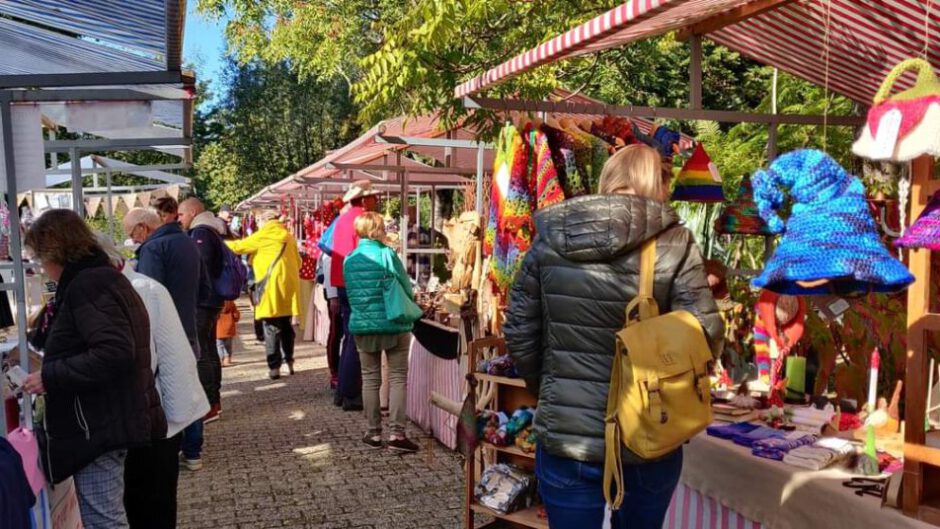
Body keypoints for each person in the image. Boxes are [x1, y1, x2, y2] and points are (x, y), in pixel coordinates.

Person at [503, 144, 724, 529]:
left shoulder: (552, 237)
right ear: (654, 182)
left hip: (567, 436)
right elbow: (707, 332)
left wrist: (551, 388)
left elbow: (520, 329)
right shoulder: (674, 243)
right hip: (650, 430)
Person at [22, 210, 166, 529]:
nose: (41, 268)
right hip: (104, 419)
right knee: (106, 516)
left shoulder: (89, 284)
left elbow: (114, 351)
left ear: (54, 252)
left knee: (104, 520)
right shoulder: (97, 278)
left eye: (40, 259)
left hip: (99, 424)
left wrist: (50, 376)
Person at [96, 234, 209, 529]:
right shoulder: (141, 288)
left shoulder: (143, 290)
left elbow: (169, 359)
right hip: (148, 418)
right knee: (147, 503)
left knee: (150, 503)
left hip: (151, 418)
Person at [123, 208, 207, 471]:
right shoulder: (188, 241)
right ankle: (194, 450)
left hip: (166, 331)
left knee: (172, 389)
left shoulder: (153, 249)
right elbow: (205, 287)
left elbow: (145, 299)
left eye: (132, 235)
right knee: (189, 385)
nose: (133, 241)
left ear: (142, 228)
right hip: (189, 324)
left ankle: (176, 448)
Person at [343, 212, 419, 452]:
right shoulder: (387, 254)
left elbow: (351, 293)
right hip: (393, 323)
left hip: (363, 326)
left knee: (370, 378)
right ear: (378, 229)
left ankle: (373, 433)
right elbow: (405, 286)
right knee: (397, 378)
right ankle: (397, 435)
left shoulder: (350, 259)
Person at [227, 209, 301, 380]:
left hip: (269, 287)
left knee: (271, 327)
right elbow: (299, 262)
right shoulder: (288, 236)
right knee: (286, 325)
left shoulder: (264, 234)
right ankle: (289, 361)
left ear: (264, 221)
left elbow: (238, 247)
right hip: (288, 287)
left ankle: (274, 367)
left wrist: (218, 240)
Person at [330, 180, 380, 411]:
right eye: (374, 196)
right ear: (365, 199)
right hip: (356, 283)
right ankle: (350, 393)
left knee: (348, 338)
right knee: (354, 339)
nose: (377, 200)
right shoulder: (362, 220)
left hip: (342, 282)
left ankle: (342, 391)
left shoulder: (342, 218)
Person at [178, 198, 227, 423]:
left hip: (203, 300)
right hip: (211, 299)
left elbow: (202, 265)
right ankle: (213, 401)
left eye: (181, 214)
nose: (180, 219)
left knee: (204, 352)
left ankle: (210, 403)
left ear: (194, 212)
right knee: (208, 350)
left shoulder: (201, 232)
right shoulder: (210, 230)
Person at [318, 252, 342, 399]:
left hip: (343, 290)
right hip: (336, 292)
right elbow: (328, 264)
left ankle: (340, 371)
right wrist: (333, 296)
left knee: (339, 333)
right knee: (336, 333)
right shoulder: (334, 235)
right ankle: (335, 372)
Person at [216, 300, 240, 367]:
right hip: (229, 328)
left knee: (219, 345)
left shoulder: (216, 302)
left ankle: (220, 359)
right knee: (228, 345)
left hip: (218, 328)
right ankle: (227, 359)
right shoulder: (231, 302)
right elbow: (236, 315)